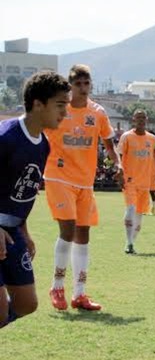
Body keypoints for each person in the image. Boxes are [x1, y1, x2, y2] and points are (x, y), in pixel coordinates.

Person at [43, 64, 120, 311]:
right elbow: (37, 134)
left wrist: (117, 163)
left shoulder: (97, 113)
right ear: (70, 86)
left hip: (85, 183)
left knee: (83, 236)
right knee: (68, 230)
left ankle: (80, 294)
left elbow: (108, 142)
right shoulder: (57, 109)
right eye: (78, 84)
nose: (83, 88)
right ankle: (57, 286)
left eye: (87, 84)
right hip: (58, 177)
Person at [1, 71, 70, 328]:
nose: (64, 112)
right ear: (38, 104)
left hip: (13, 230)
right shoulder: (6, 137)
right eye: (60, 105)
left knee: (26, 304)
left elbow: (23, 194)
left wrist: (24, 231)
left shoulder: (43, 145)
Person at [117, 109, 155, 254]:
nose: (141, 120)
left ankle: (130, 243)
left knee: (139, 215)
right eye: (138, 118)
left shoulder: (152, 139)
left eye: (143, 118)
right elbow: (119, 155)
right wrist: (119, 171)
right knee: (130, 209)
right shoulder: (127, 137)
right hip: (129, 180)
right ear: (133, 120)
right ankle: (129, 244)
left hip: (145, 181)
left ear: (147, 120)